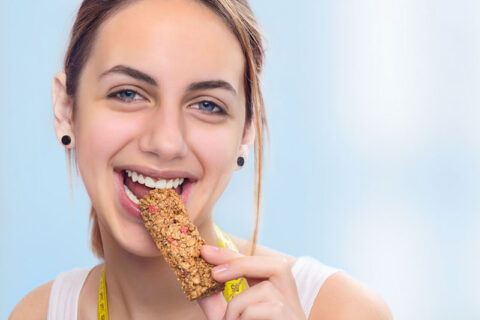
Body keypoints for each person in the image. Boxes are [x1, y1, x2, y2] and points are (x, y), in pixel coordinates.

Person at [10, 0, 392, 319]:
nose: (166, 141)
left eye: (207, 105)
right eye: (128, 94)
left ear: (246, 132)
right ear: (66, 109)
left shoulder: (340, 310)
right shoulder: (37, 313)